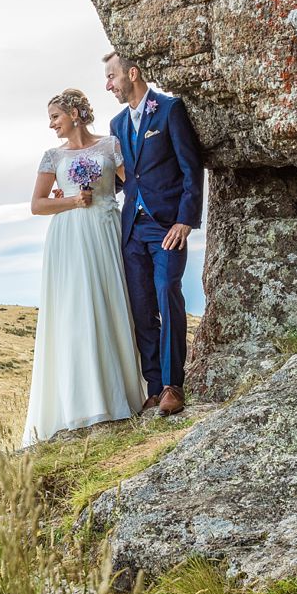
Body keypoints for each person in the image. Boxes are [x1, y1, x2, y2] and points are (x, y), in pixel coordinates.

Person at [21, 88, 144, 447]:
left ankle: (118, 396)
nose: (51, 125)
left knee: (110, 304)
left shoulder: (110, 145)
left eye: (55, 117)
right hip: (69, 236)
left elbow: (132, 183)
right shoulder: (52, 156)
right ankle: (78, 404)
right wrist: (73, 200)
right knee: (75, 312)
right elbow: (37, 205)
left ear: (75, 113)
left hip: (106, 228)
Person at [105, 52, 204, 418]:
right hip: (131, 228)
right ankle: (152, 386)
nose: (108, 85)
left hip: (167, 226)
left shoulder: (169, 110)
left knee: (167, 293)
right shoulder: (116, 124)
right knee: (142, 307)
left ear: (132, 73)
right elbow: (125, 177)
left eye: (112, 76)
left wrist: (185, 221)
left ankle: (172, 385)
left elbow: (191, 168)